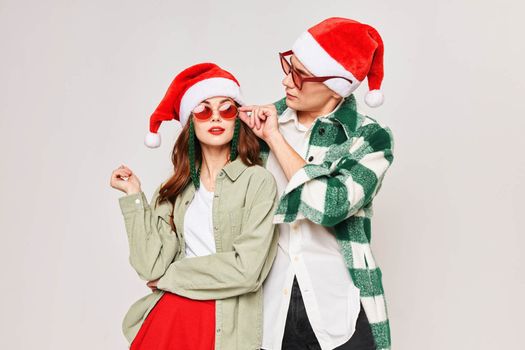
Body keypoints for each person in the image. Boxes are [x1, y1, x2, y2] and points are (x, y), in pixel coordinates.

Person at [238, 18, 395, 350]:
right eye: (288, 66)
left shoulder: (369, 138)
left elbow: (331, 206)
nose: (286, 81)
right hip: (269, 307)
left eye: (299, 74)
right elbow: (215, 200)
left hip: (341, 306)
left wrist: (276, 140)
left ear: (336, 85)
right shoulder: (258, 127)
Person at [110, 63, 279, 350]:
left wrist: (172, 276)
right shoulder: (174, 190)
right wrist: (133, 196)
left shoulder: (258, 182)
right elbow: (150, 266)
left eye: (226, 109)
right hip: (172, 318)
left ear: (237, 119)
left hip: (226, 324)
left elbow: (248, 270)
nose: (215, 117)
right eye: (203, 110)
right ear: (191, 121)